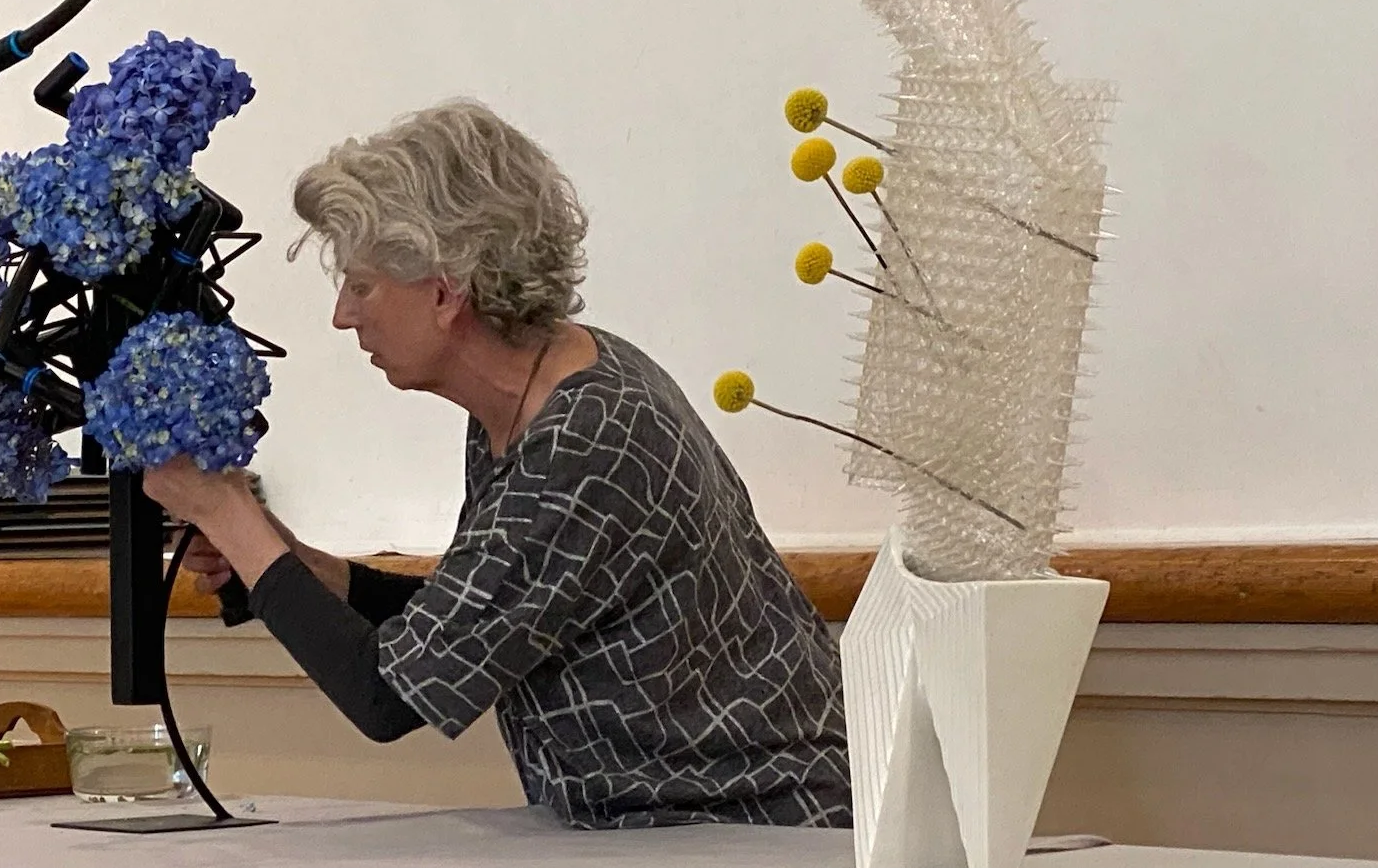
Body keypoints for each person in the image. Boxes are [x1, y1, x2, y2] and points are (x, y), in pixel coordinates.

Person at [142, 100, 851, 829]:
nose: (343, 316)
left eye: (362, 285)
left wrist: (225, 510)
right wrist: (307, 566)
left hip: (757, 833)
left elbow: (384, 696)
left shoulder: (583, 441)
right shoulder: (537, 396)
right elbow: (477, 610)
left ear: (444, 291)